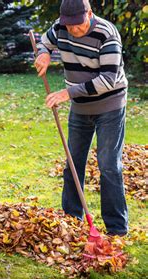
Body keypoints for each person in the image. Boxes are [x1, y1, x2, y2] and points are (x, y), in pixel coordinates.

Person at [34, 0, 128, 236]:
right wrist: (44, 54)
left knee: (108, 166)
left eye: (78, 24)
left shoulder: (107, 34)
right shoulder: (61, 26)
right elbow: (43, 42)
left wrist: (67, 93)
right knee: (73, 163)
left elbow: (108, 80)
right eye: (69, 25)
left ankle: (116, 229)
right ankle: (72, 220)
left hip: (110, 106)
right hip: (80, 108)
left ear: (90, 13)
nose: (74, 30)